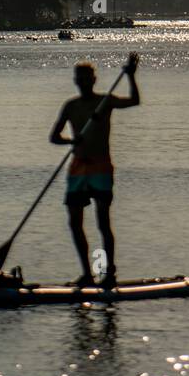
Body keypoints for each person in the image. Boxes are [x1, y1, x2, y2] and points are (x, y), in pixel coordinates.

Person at [49, 54, 140, 287]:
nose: (83, 82)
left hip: (100, 167)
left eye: (87, 78)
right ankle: (87, 275)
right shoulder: (71, 106)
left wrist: (130, 76)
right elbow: (54, 137)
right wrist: (72, 140)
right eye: (80, 79)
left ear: (94, 80)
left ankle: (109, 274)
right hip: (78, 168)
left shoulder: (105, 101)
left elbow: (134, 101)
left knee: (102, 222)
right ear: (76, 81)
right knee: (74, 222)